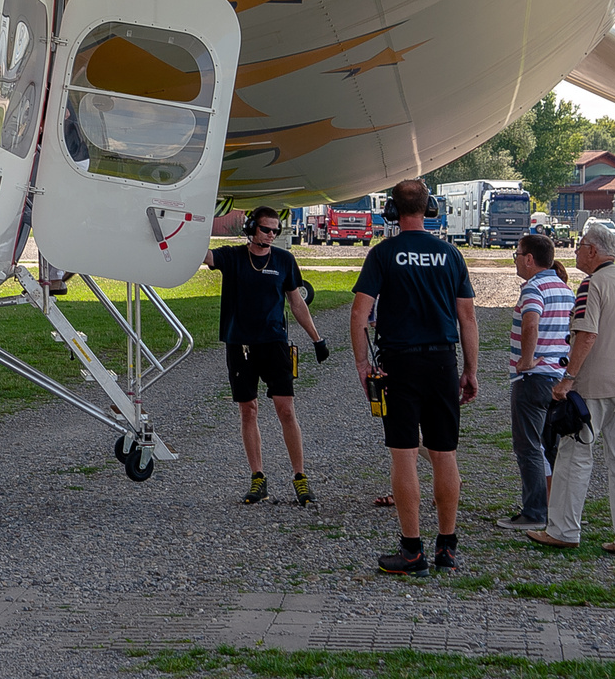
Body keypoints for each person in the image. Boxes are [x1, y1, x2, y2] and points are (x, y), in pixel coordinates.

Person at [351, 180, 479, 576]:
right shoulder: (451, 254)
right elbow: (468, 318)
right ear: (431, 209)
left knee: (404, 453)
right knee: (444, 454)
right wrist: (470, 369)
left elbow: (359, 316)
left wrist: (362, 365)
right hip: (441, 360)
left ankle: (411, 551)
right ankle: (447, 548)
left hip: (398, 363)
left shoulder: (382, 254)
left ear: (392, 209)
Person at [527, 221, 615, 555]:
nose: (575, 249)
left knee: (575, 457)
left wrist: (567, 378)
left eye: (580, 243)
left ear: (592, 250)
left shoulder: (592, 285)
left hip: (594, 387)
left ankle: (563, 529)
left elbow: (587, 334)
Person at [205, 206, 329, 505]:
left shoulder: (284, 260)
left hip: (274, 343)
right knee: (248, 410)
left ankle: (300, 477)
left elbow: (297, 303)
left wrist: (317, 339)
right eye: (266, 229)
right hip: (240, 345)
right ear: (252, 228)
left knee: (286, 410)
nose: (271, 235)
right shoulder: (233, 257)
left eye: (276, 230)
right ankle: (258, 478)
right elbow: (203, 255)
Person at [496, 233, 573, 532]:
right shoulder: (565, 289)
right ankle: (555, 507)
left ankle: (534, 511)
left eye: (516, 254)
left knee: (528, 446)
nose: (515, 259)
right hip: (557, 378)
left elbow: (531, 322)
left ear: (529, 259)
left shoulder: (533, 288)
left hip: (532, 378)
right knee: (550, 447)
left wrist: (526, 360)